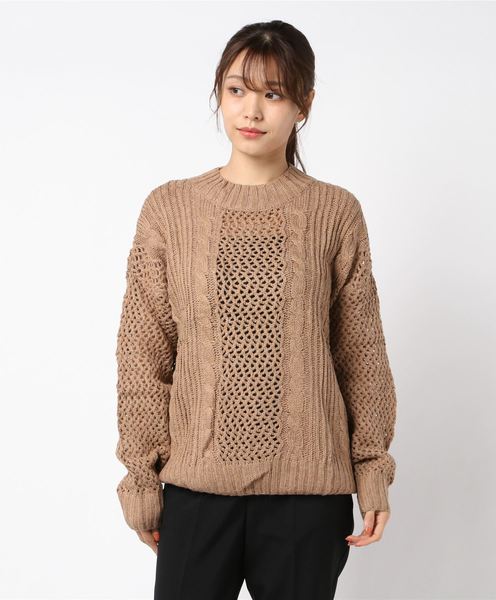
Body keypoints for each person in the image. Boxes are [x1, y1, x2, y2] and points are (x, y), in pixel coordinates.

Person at [114, 19, 397, 600]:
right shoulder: (170, 209)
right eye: (237, 89)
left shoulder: (335, 213)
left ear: (303, 105)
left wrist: (372, 468)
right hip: (195, 492)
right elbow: (144, 353)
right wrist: (140, 475)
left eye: (273, 94)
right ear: (218, 93)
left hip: (307, 499)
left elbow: (361, 352)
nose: (252, 110)